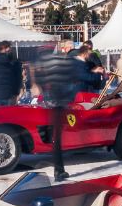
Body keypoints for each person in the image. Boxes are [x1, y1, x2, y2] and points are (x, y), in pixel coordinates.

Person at [34, 40, 93, 180]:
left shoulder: (42, 62)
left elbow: (39, 78)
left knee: (51, 131)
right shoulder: (63, 61)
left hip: (47, 101)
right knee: (58, 136)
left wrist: (44, 89)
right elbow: (72, 78)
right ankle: (58, 170)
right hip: (60, 102)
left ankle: (48, 147)